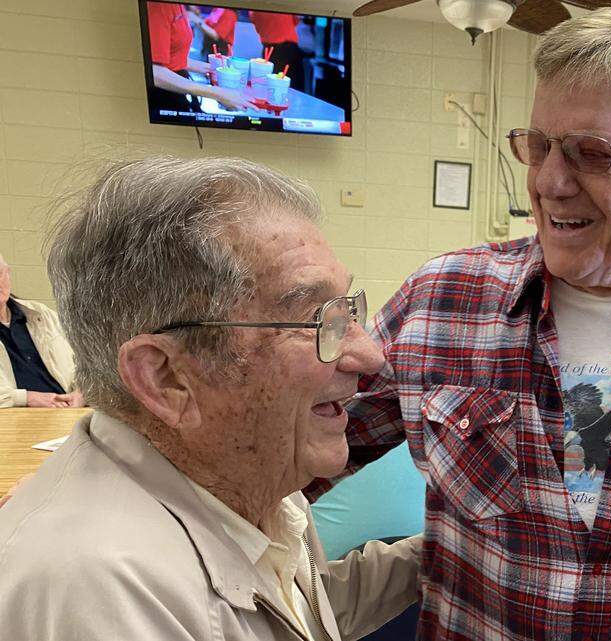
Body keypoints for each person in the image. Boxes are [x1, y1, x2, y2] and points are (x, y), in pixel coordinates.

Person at [0, 157, 420, 641]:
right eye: (316, 320)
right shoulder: (99, 593)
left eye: (346, 310)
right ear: (166, 379)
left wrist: (452, 548)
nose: (370, 355)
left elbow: (296, 612)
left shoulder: (250, 481)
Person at [0, 253, 83, 408]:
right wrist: (27, 398)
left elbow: (84, 360)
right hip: (14, 421)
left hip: (67, 411)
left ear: (8, 273)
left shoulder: (42, 315)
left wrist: (81, 392)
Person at [147, 1, 251, 111]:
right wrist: (216, 93)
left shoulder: (180, 6)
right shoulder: (160, 6)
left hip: (177, 89)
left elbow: (173, 58)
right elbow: (154, 71)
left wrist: (213, 69)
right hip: (165, 94)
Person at [250, 10, 307, 91]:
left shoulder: (254, 9)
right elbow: (296, 21)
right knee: (293, 88)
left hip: (269, 50)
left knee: (272, 88)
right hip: (288, 50)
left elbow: (258, 29)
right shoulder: (285, 5)